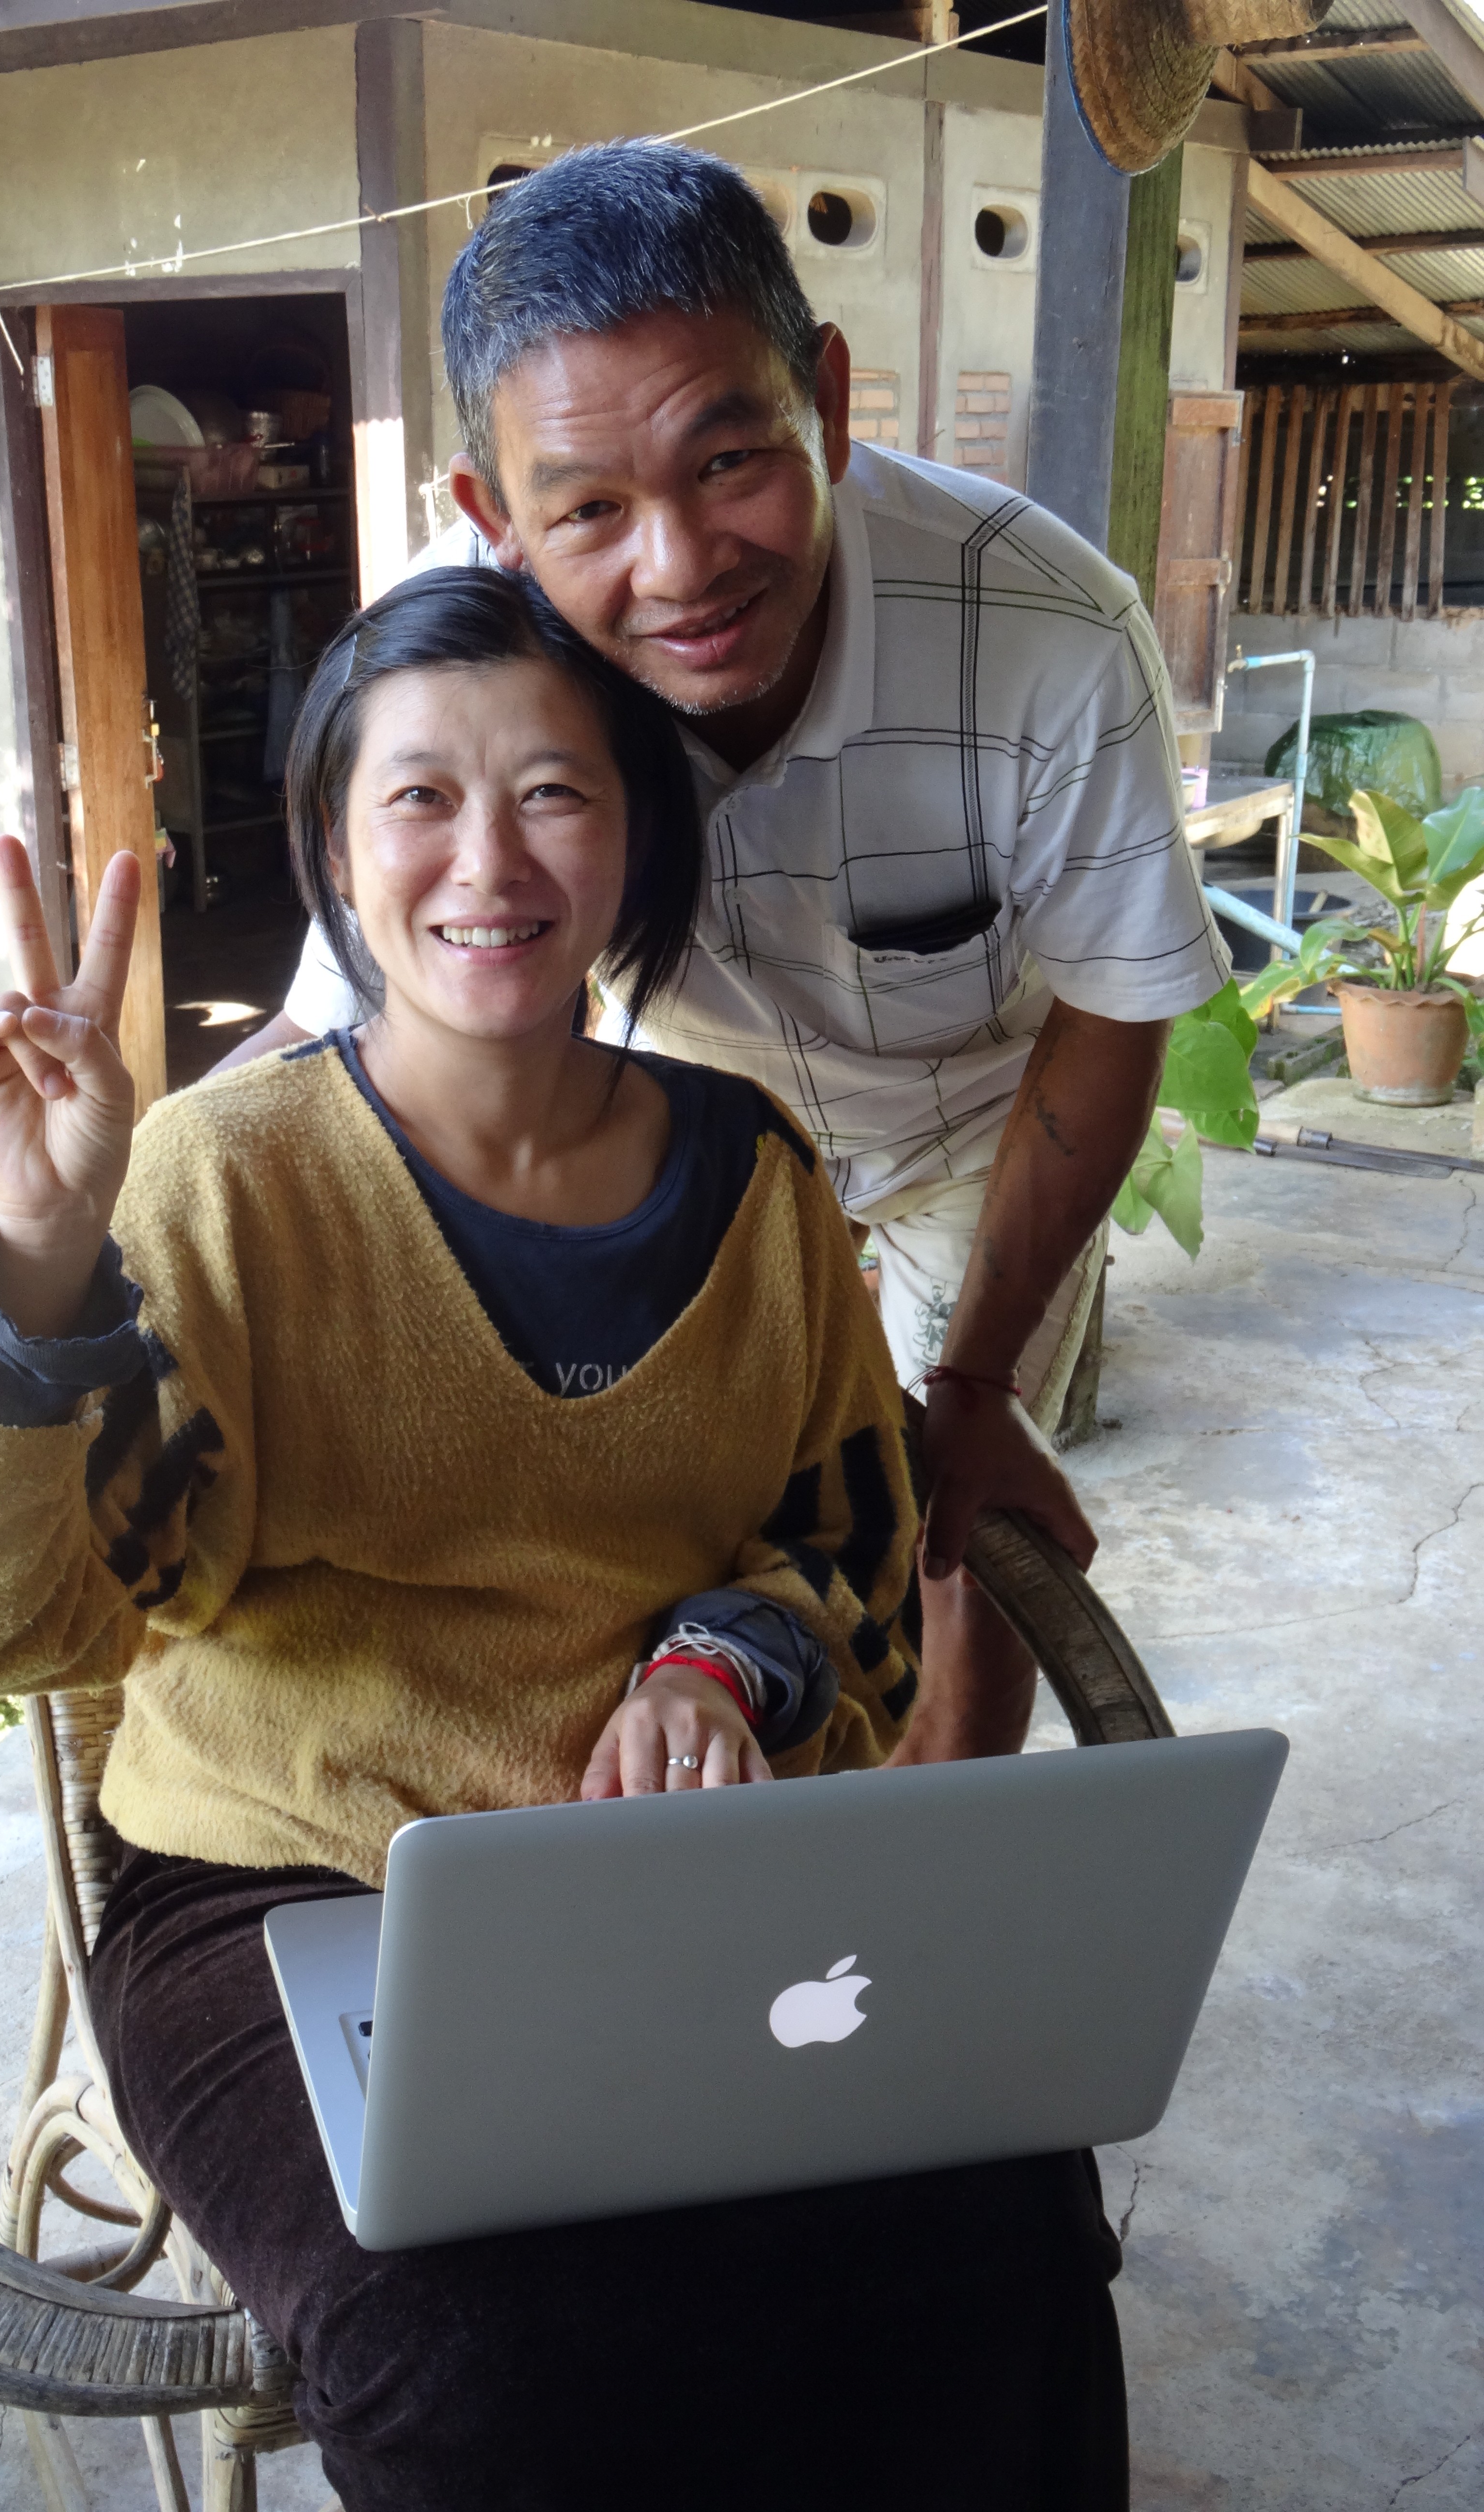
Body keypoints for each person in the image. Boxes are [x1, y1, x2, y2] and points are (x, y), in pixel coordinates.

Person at [0, 568, 1126, 2511]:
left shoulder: (755, 1178)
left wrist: (725, 1664)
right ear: (340, 857)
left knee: (998, 2222)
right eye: (421, 797)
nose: (489, 861)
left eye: (555, 793)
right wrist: (34, 1259)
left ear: (635, 843)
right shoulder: (221, 1182)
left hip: (665, 1889)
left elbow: (851, 1561)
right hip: (284, 1896)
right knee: (485, 2350)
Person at [224, 141, 1233, 1769]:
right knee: (678, 1546)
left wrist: (975, 1388)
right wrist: (100, 1240)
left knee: (951, 1529)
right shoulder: (462, 665)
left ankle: (927, 1866)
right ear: (496, 519)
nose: (681, 567)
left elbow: (1114, 1017)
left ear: (824, 400)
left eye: (729, 462)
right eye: (588, 511)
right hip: (685, 1153)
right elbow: (341, 1024)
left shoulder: (1050, 632)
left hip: (967, 1139)